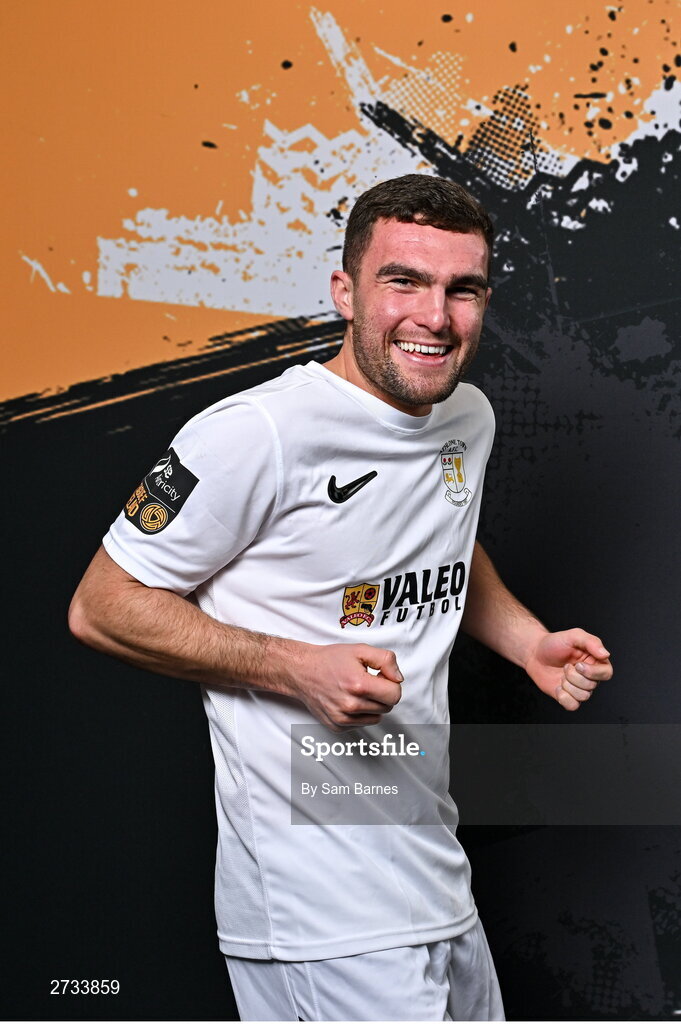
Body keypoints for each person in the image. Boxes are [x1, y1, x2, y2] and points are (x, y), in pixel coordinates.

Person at [69, 174, 612, 1022]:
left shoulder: (465, 417)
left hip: (432, 873)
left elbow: (438, 542)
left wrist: (524, 641)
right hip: (315, 908)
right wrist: (295, 668)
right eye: (404, 281)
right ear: (344, 291)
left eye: (461, 289)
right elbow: (102, 605)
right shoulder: (254, 433)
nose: (434, 317)